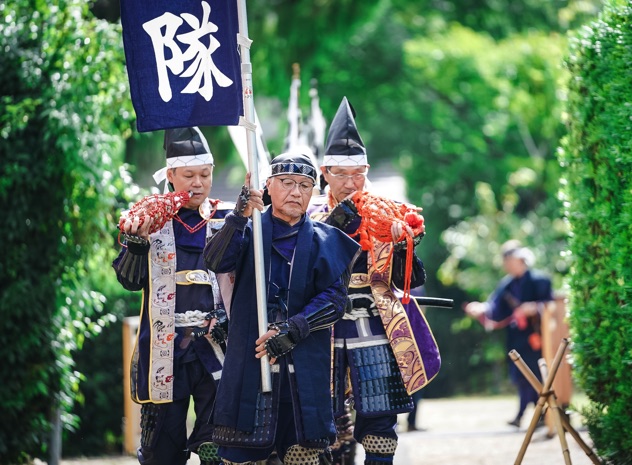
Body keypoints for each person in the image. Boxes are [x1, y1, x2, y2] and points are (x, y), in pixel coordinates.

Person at [202, 151, 360, 465]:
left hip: (303, 370)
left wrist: (293, 329)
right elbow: (215, 261)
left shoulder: (327, 242)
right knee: (242, 458)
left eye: (304, 185)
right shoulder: (246, 231)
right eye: (287, 182)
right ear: (269, 187)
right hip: (248, 363)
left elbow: (334, 300)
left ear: (313, 192)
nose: (296, 192)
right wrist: (238, 216)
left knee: (303, 456)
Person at [308, 97, 441, 465]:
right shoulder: (307, 214)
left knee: (381, 428)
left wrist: (405, 245)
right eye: (341, 174)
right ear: (324, 172)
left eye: (358, 174)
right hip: (323, 328)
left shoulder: (387, 211)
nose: (351, 183)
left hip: (376, 325)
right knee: (323, 427)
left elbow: (408, 281)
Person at [113, 127, 231, 465]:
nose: (197, 183)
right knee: (162, 448)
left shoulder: (226, 219)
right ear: (170, 176)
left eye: (205, 175)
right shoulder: (149, 222)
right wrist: (137, 245)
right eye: (189, 175)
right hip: (165, 348)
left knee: (218, 446)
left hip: (215, 345)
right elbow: (129, 280)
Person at [463, 239, 553, 428]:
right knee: (521, 377)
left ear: (521, 260)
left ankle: (537, 415)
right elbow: (494, 306)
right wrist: (481, 309)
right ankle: (527, 415)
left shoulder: (540, 280)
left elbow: (552, 306)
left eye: (510, 261)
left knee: (537, 376)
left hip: (538, 339)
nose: (507, 265)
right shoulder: (507, 284)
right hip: (517, 338)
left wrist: (534, 308)